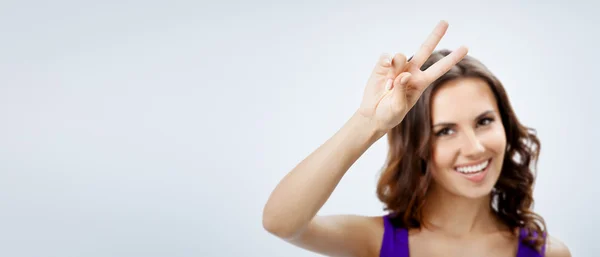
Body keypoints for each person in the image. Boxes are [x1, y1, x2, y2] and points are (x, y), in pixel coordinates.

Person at [262, 20, 571, 257]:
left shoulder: (550, 252)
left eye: (484, 121)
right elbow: (281, 222)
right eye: (445, 131)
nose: (475, 148)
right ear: (416, 146)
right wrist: (367, 123)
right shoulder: (376, 241)